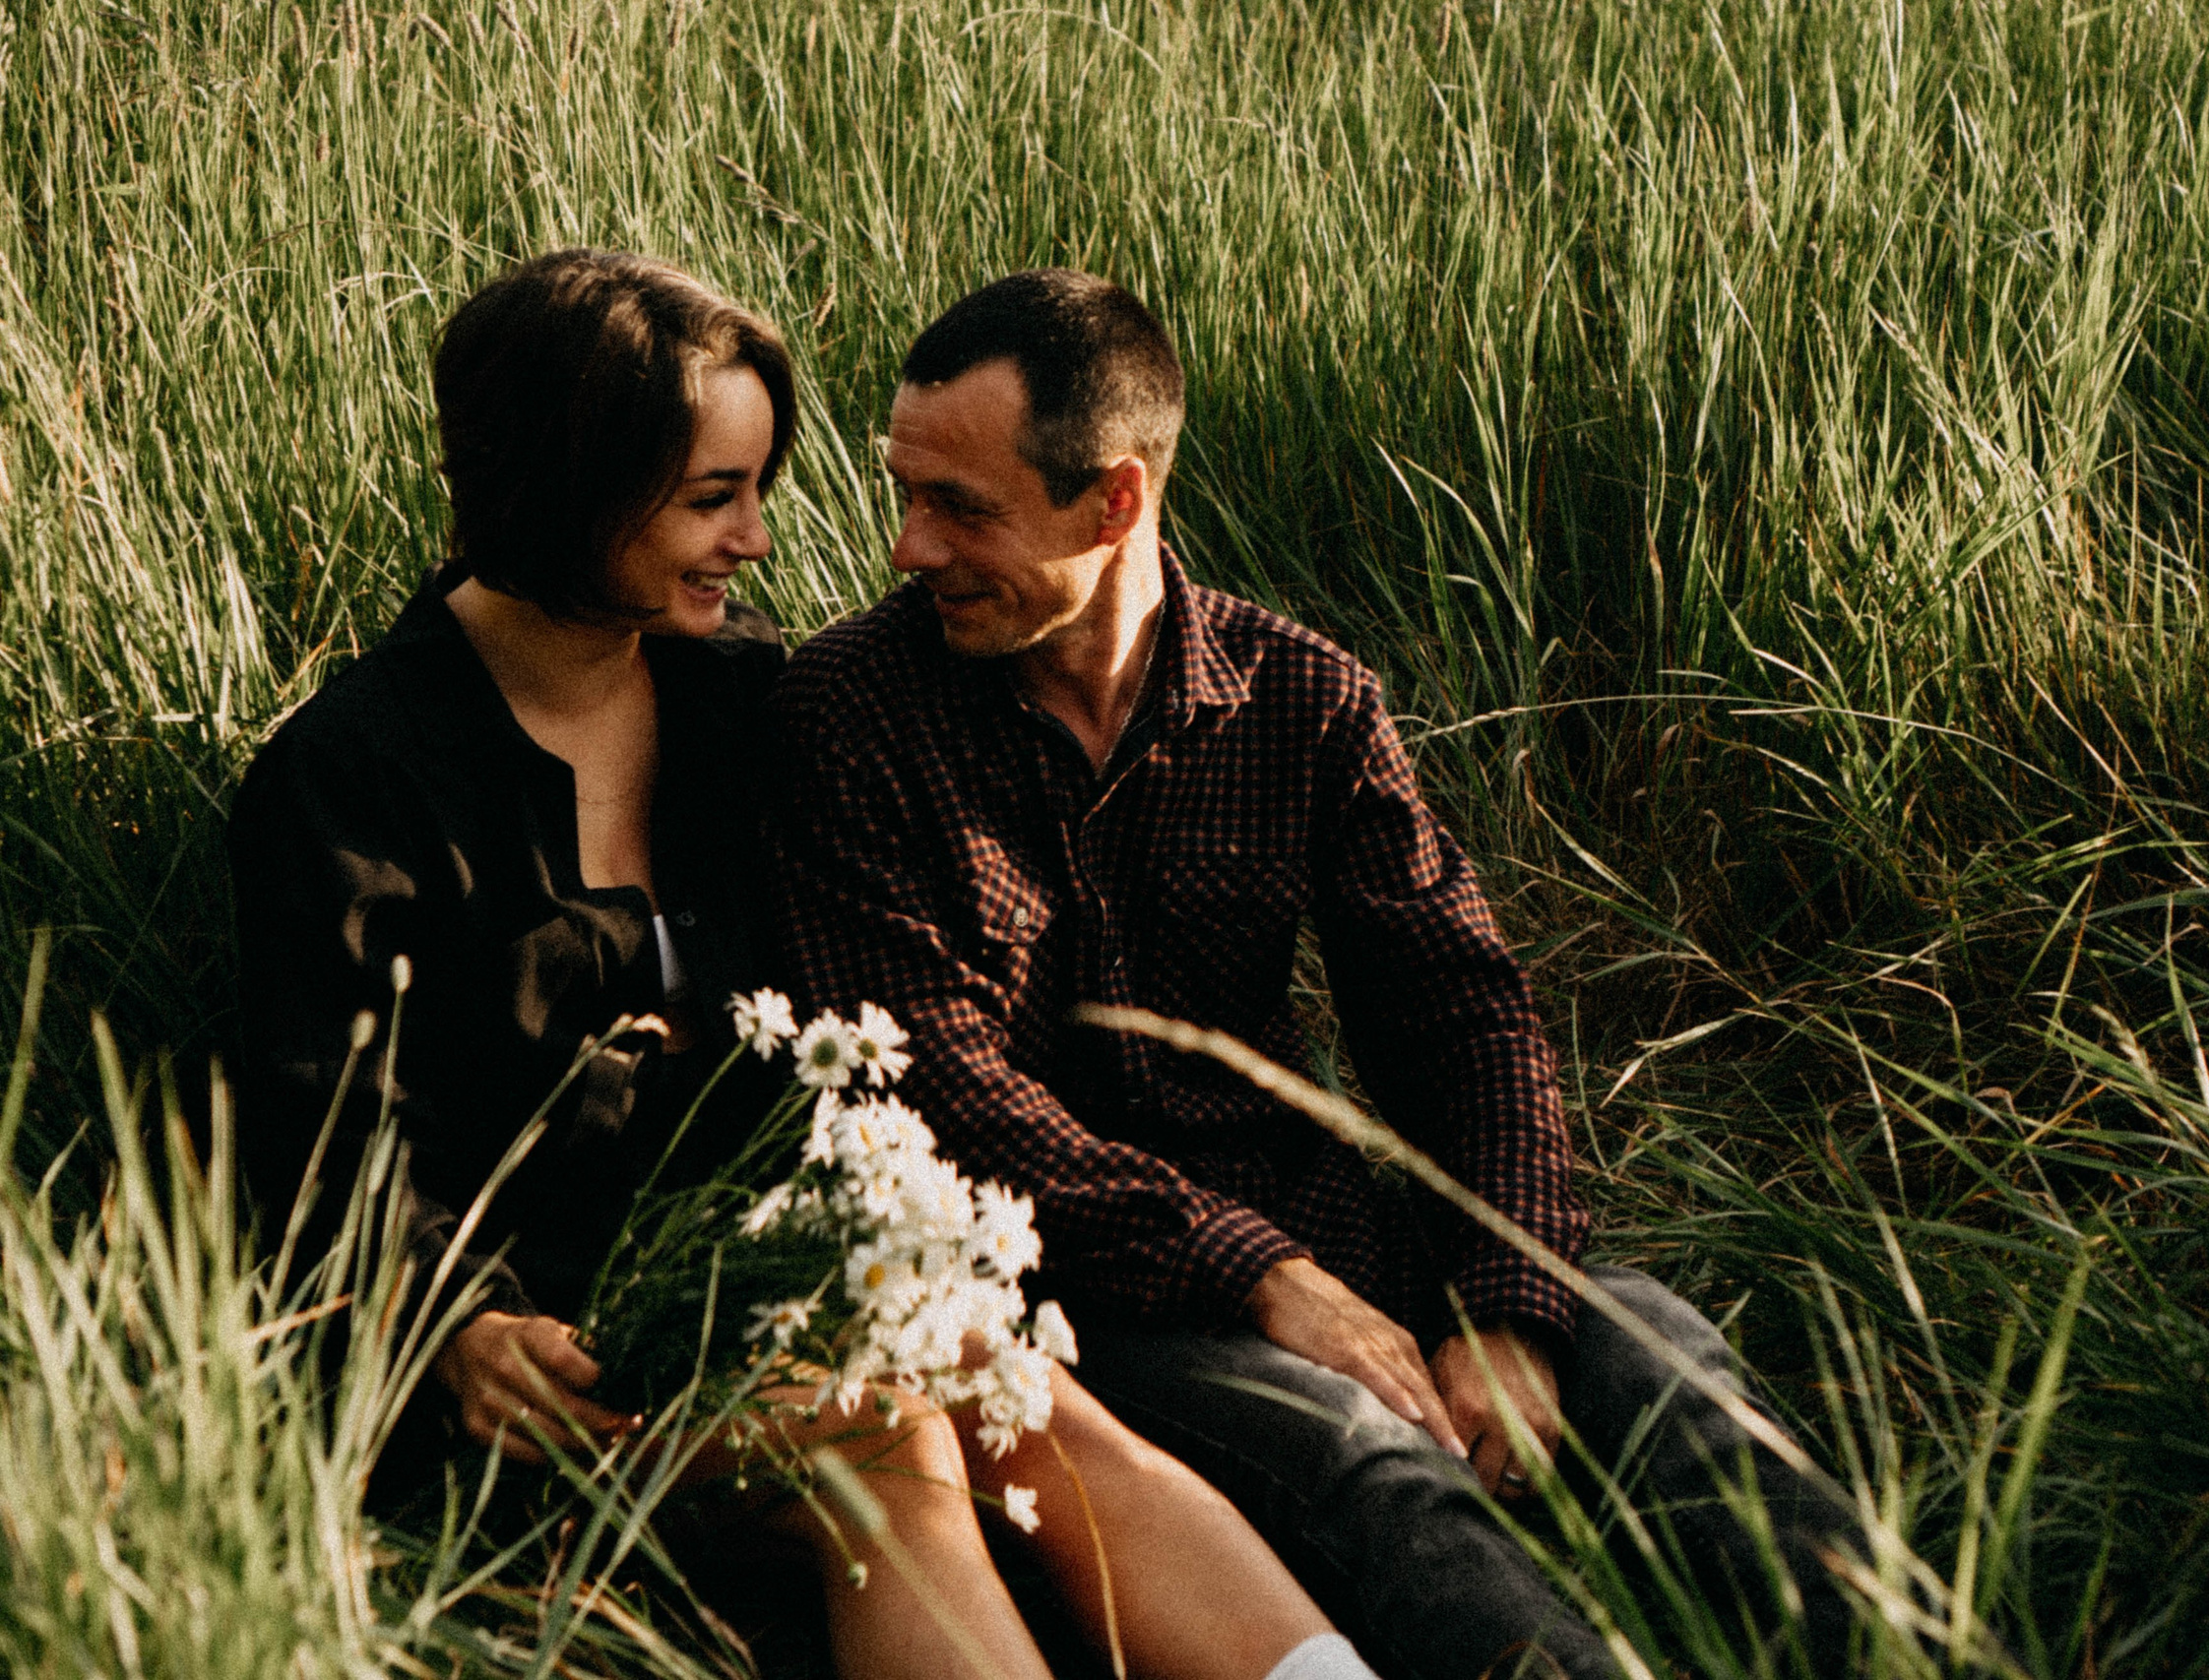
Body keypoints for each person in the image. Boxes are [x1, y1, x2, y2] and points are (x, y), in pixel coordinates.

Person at [228, 248, 1378, 1680]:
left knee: (1019, 1386)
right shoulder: (354, 777)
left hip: (757, 1280)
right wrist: (452, 1324)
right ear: (570, 485)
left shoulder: (741, 700)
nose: (758, 539)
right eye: (716, 497)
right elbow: (313, 1124)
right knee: (884, 1435)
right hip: (524, 1368)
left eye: (756, 490)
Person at [763, 269, 1861, 1680]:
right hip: (1087, 1297)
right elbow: (934, 1096)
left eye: (962, 507)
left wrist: (1503, 1308)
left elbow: (1461, 1016)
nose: (910, 547)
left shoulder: (1299, 697)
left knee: (1658, 1358)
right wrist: (1258, 1271)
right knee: (1374, 1470)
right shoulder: (851, 718)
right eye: (904, 491)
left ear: (1115, 502)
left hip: (1326, 1229)